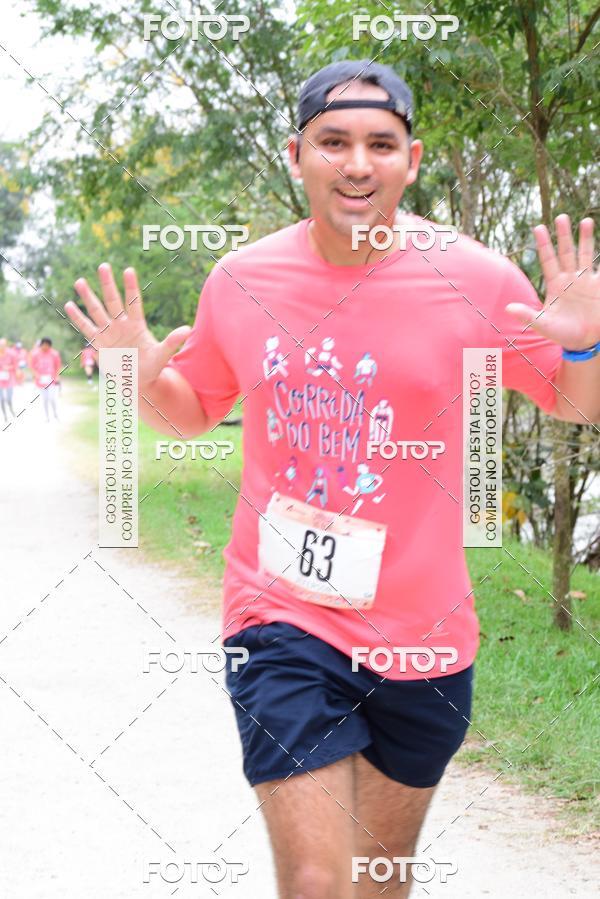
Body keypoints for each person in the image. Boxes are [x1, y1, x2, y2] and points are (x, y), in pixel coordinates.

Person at [64, 60, 600, 898]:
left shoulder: (478, 279)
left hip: (425, 636)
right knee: (319, 878)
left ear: (411, 160)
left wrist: (585, 342)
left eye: (381, 144)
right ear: (297, 153)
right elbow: (192, 409)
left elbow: (575, 403)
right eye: (335, 142)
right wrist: (134, 371)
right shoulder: (242, 280)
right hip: (282, 616)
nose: (358, 163)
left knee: (379, 877)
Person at [30, 337, 62, 422]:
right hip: (41, 380)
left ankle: (55, 414)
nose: (45, 347)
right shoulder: (36, 354)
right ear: (41, 345)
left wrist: (57, 375)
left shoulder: (54, 354)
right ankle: (47, 416)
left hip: (51, 379)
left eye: (47, 345)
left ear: (49, 345)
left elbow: (57, 366)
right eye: (43, 345)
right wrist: (36, 374)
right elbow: (32, 366)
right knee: (45, 399)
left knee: (51, 398)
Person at [0, 338, 17, 423]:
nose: (1, 347)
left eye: (3, 345)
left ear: (6, 345)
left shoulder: (11, 354)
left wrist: (8, 367)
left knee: (9, 399)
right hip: (0, 380)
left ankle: (11, 409)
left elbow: (15, 365)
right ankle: (5, 415)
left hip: (9, 379)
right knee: (1, 399)